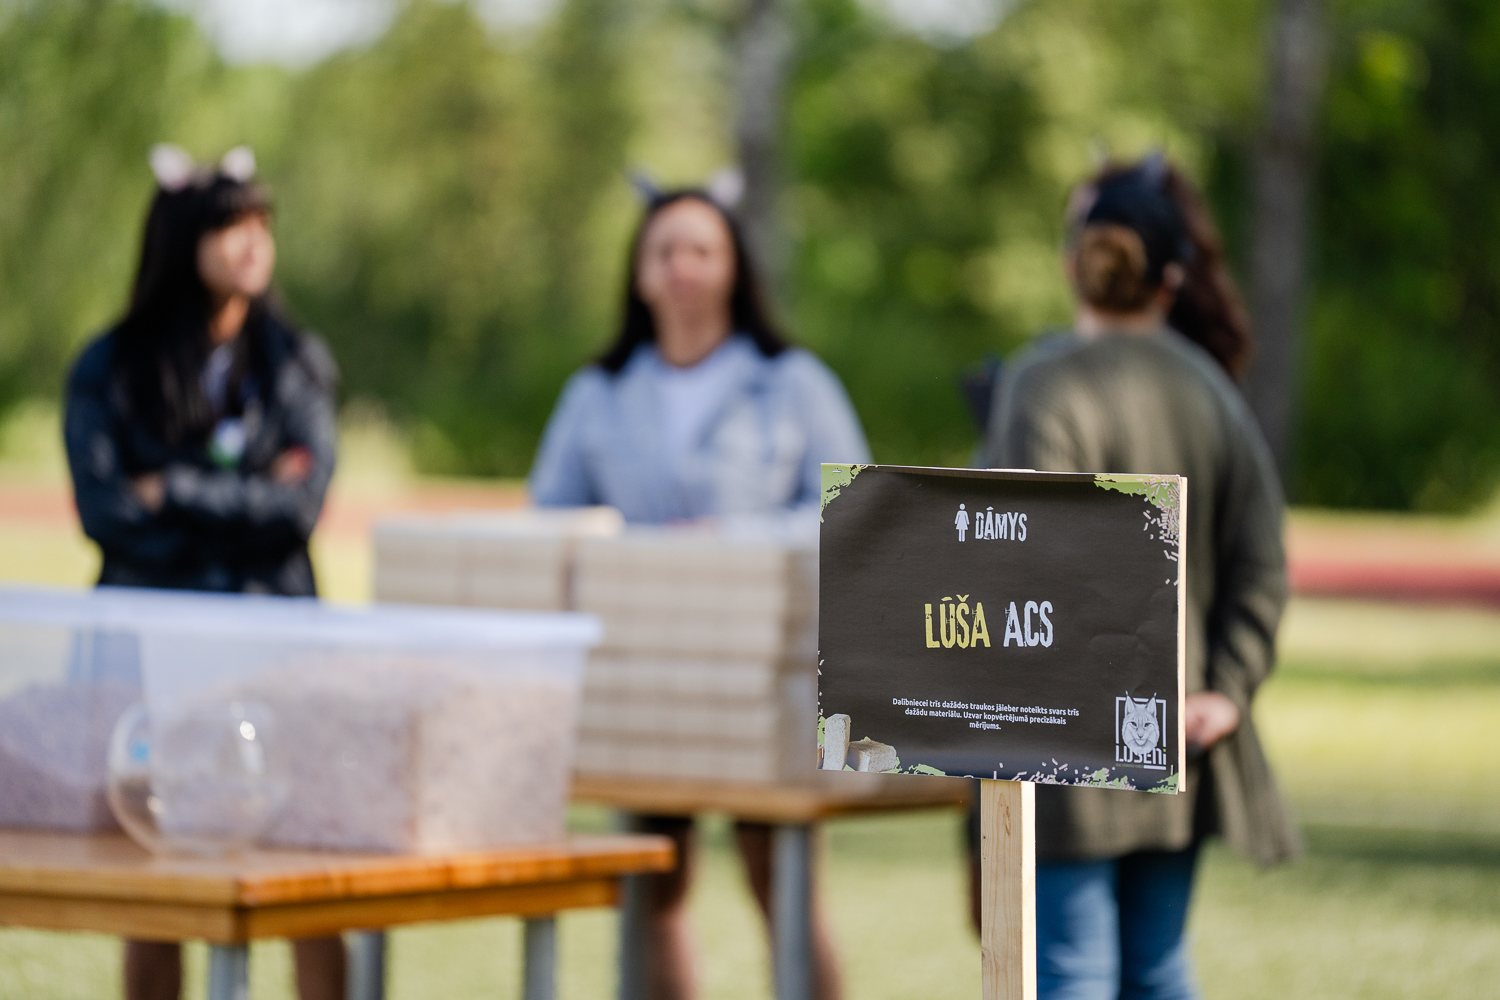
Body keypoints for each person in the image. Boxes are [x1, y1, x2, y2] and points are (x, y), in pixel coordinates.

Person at [529, 187, 870, 999]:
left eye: (701, 251)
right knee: (653, 886)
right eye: (664, 252)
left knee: (778, 878)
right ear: (640, 273)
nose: (682, 268)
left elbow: (854, 509)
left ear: (733, 269)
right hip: (643, 675)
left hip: (766, 675)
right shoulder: (597, 392)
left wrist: (733, 539)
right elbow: (550, 518)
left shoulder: (793, 383)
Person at [975, 157, 1301, 999]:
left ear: (1071, 266)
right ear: (1173, 278)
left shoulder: (1040, 383)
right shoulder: (1210, 389)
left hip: (1064, 735)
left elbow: (1026, 560)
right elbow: (1263, 559)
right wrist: (1225, 687)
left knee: (1070, 969)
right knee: (1157, 968)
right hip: (1180, 733)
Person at [63, 145, 344, 1000]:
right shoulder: (111, 367)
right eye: (229, 227)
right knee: (157, 879)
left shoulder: (294, 362)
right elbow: (108, 514)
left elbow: (300, 509)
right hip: (147, 659)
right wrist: (246, 507)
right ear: (181, 239)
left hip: (275, 647)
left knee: (306, 869)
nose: (252, 243)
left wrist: (175, 490)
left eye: (262, 224)